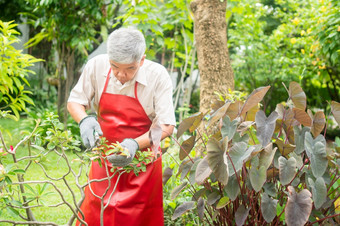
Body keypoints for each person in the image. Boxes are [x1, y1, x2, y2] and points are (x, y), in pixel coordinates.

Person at [67, 27, 176, 226]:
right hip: (104, 159)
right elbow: (75, 101)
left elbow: (166, 125)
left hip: (142, 162)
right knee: (95, 213)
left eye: (130, 69)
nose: (121, 75)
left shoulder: (158, 76)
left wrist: (134, 144)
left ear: (141, 60)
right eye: (115, 66)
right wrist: (84, 120)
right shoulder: (96, 66)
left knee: (139, 218)